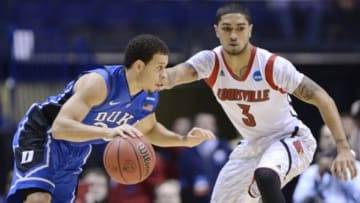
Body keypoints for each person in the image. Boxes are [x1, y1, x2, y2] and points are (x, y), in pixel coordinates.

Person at [163, 3, 357, 203]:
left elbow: (323, 98)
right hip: (252, 146)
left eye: (240, 28)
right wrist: (155, 77)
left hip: (291, 139)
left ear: (250, 30)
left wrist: (343, 148)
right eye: (227, 28)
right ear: (216, 31)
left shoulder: (271, 65)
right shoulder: (210, 61)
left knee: (265, 175)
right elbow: (175, 74)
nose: (233, 35)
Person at [7, 34, 215, 203]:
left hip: (76, 148)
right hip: (42, 132)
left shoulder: (148, 97)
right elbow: (60, 128)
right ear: (140, 66)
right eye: (159, 67)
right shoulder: (100, 83)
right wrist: (109, 132)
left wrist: (183, 140)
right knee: (39, 198)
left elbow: (150, 130)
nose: (164, 74)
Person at [178, 113, 232, 203]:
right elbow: (182, 176)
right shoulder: (187, 150)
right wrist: (191, 187)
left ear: (215, 126)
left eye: (208, 123)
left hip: (221, 198)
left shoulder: (225, 148)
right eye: (201, 124)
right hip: (194, 199)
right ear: (194, 128)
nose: (205, 127)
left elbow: (231, 172)